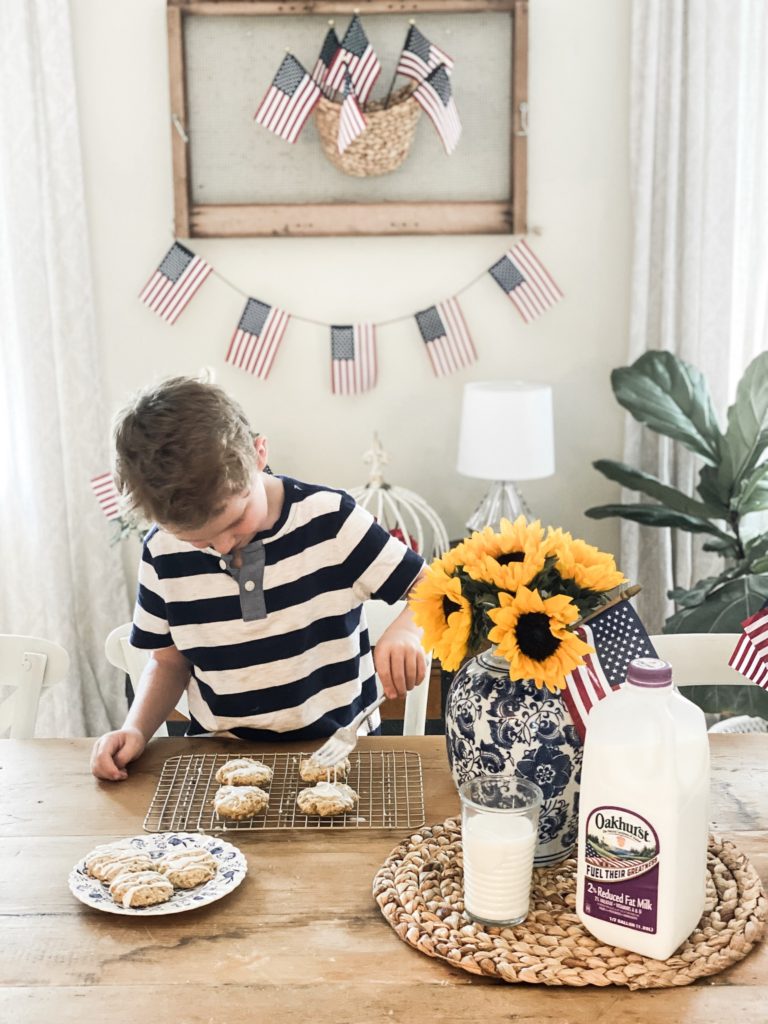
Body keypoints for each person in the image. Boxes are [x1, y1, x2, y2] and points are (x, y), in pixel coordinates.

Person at [90, 376, 427, 781]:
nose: (222, 546)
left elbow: (432, 588)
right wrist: (135, 729)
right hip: (222, 758)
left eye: (234, 521)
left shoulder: (331, 521)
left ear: (258, 453)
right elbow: (168, 661)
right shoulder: (162, 551)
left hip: (345, 750)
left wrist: (406, 630)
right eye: (198, 541)